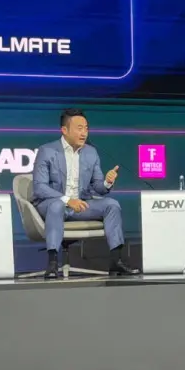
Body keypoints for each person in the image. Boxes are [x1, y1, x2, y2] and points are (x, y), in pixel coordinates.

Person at [32, 108, 137, 279]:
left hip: (81, 205)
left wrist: (107, 182)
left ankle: (116, 261)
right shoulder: (47, 151)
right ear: (64, 130)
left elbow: (98, 187)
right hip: (52, 204)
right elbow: (39, 188)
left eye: (86, 128)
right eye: (79, 128)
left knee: (112, 205)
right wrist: (68, 200)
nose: (84, 133)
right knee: (57, 205)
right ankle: (52, 264)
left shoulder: (91, 152)